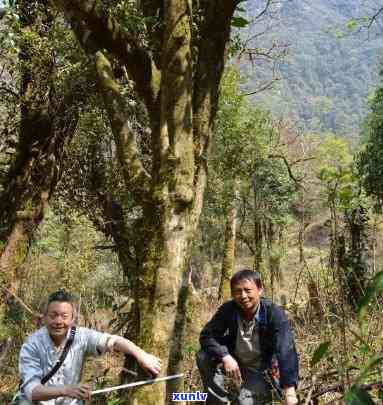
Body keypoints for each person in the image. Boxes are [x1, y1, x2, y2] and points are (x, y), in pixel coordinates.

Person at [15, 289, 162, 404]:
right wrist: (65, 390)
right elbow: (32, 391)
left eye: (64, 316)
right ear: (45, 317)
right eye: (53, 315)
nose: (59, 321)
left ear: (72, 319)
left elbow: (113, 341)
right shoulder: (31, 345)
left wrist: (141, 355)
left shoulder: (81, 335)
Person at [197, 269, 299, 405]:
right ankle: (217, 401)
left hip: (263, 371)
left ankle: (263, 391)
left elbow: (286, 348)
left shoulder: (273, 313)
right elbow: (206, 335)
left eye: (248, 290)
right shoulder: (229, 309)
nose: (243, 296)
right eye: (237, 291)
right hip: (237, 364)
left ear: (260, 290)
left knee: (243, 402)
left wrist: (289, 391)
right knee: (203, 355)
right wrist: (225, 356)